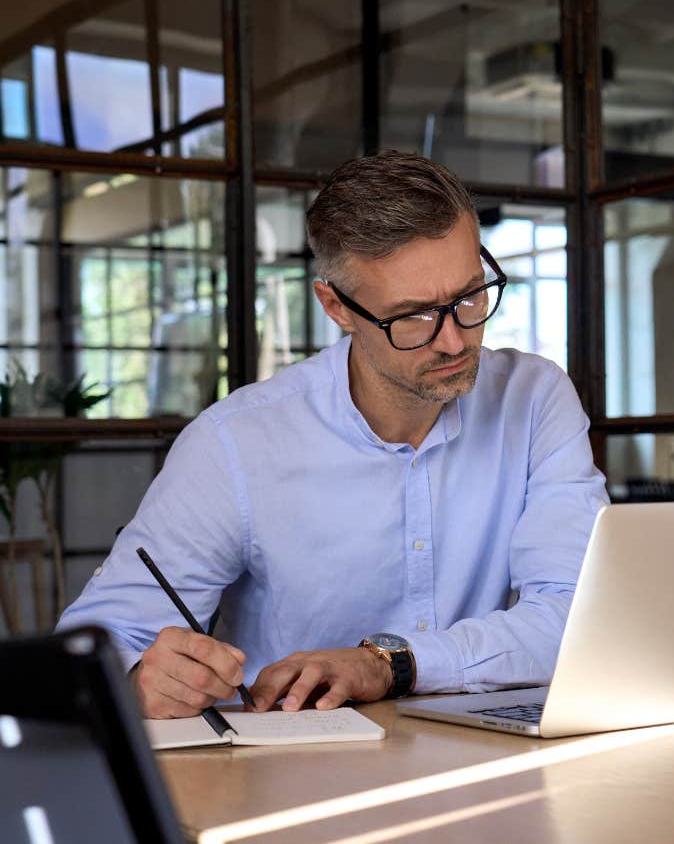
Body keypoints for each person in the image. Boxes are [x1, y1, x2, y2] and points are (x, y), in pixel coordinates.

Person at [57, 151, 608, 719]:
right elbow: (93, 644)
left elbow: (579, 615)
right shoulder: (237, 443)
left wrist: (388, 664)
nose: (453, 341)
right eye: (414, 316)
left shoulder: (534, 397)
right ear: (336, 307)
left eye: (469, 296)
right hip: (293, 771)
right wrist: (137, 677)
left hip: (492, 760)